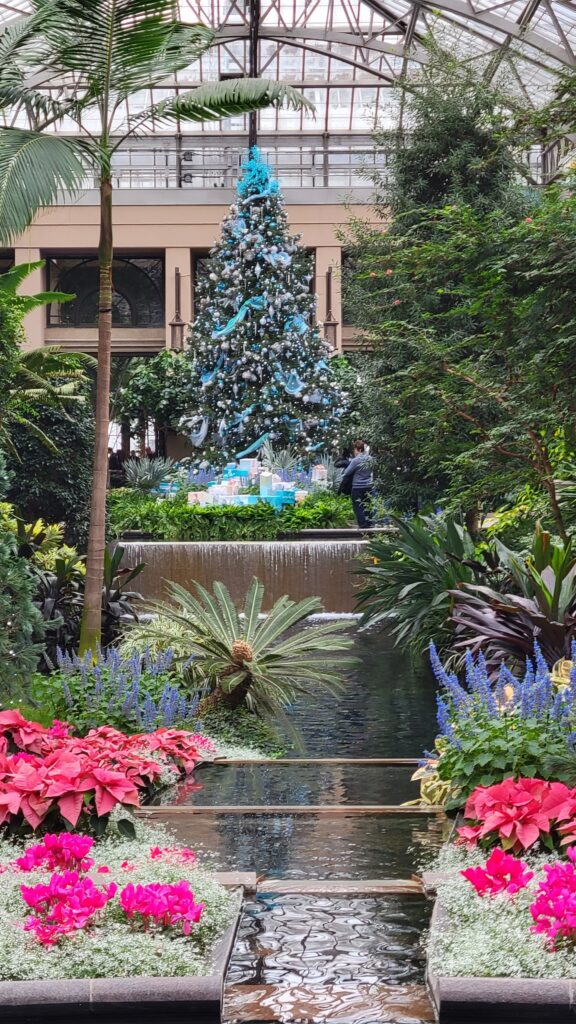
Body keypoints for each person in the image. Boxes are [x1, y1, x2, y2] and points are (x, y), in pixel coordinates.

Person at [340, 440, 374, 529]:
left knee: (358, 506)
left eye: (354, 450)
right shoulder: (370, 459)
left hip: (357, 487)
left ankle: (363, 526)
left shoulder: (356, 460)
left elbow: (347, 472)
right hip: (369, 486)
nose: (354, 452)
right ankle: (369, 524)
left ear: (358, 449)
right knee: (368, 505)